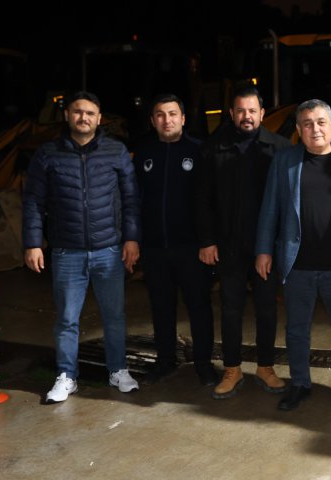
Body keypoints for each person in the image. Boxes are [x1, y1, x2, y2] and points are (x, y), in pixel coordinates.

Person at [255, 99, 331, 416]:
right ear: (298, 129)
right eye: (307, 124)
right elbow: (270, 208)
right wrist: (264, 249)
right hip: (297, 265)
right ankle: (300, 384)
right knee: (297, 329)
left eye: (321, 122)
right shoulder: (285, 161)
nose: (315, 129)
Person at [22, 91, 141, 403]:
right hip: (66, 252)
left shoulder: (116, 151)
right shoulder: (48, 154)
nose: (83, 118)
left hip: (109, 251)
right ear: (67, 116)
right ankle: (67, 376)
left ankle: (118, 369)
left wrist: (131, 239)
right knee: (67, 319)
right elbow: (33, 201)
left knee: (114, 315)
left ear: (99, 118)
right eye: (77, 112)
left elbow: (131, 199)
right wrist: (33, 243)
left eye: (90, 113)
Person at [195, 86, 292, 399]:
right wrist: (207, 241)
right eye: (240, 111)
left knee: (267, 308)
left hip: (266, 247)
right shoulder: (214, 148)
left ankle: (265, 367)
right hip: (228, 246)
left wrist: (280, 245)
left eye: (252, 111)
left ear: (262, 114)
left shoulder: (280, 148)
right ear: (231, 114)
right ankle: (232, 368)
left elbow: (288, 201)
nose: (246, 116)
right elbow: (202, 199)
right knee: (231, 308)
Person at [134, 94, 216, 387]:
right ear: (152, 120)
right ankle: (165, 361)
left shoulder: (199, 150)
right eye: (160, 115)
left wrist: (208, 240)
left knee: (199, 307)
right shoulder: (144, 153)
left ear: (183, 118)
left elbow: (211, 199)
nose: (166, 120)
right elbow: (136, 199)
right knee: (161, 307)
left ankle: (204, 364)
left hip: (192, 248)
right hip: (155, 248)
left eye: (172, 114)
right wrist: (135, 240)